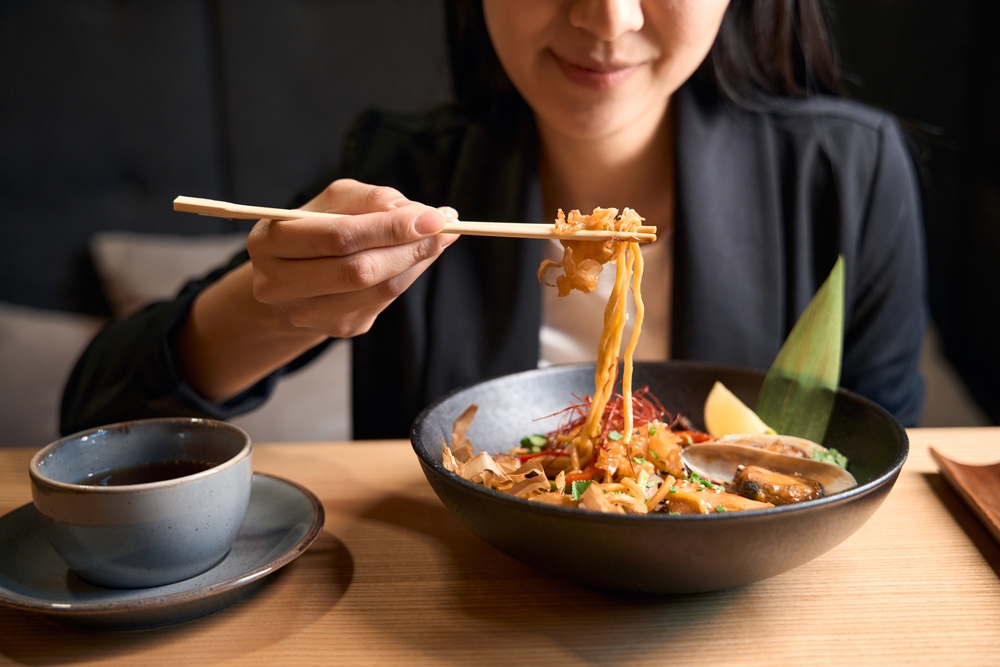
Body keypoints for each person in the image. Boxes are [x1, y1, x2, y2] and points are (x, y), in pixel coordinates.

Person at [61, 0, 927, 439]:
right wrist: (266, 302)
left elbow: (876, 462)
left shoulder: (848, 176)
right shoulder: (408, 170)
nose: (607, 19)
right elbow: (96, 409)